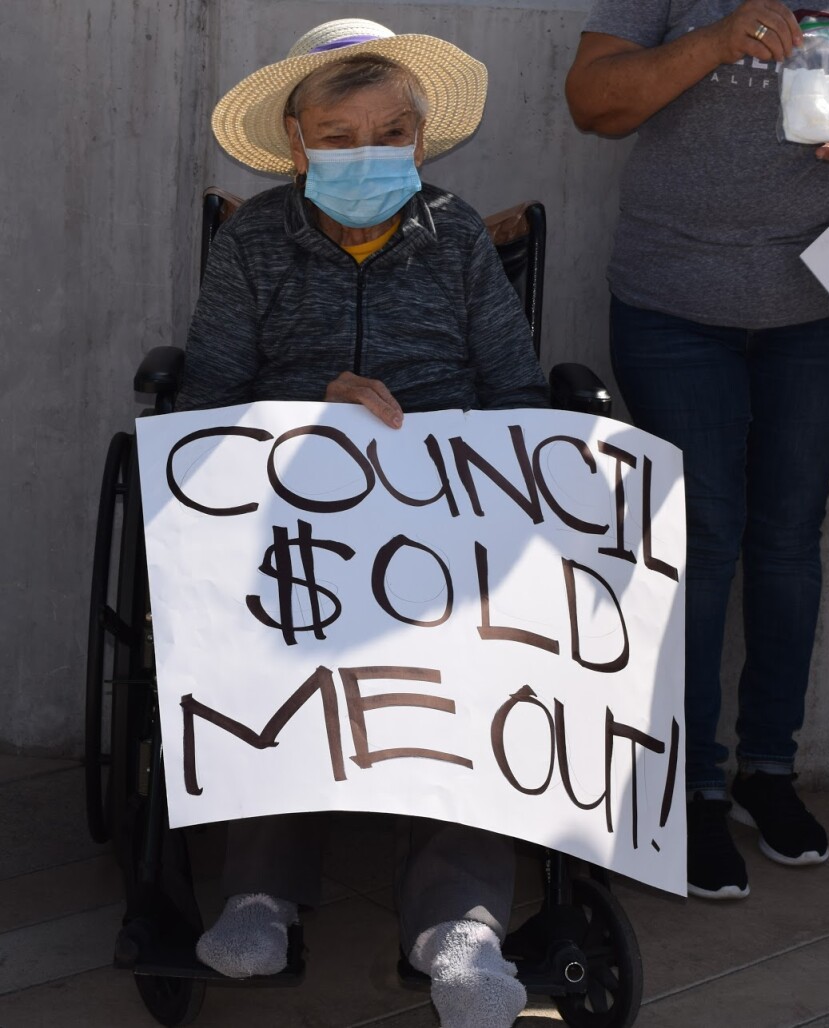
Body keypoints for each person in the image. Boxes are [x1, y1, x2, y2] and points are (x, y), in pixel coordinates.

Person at [176, 18, 548, 1028]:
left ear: (421, 140)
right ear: (296, 145)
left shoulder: (460, 234)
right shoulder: (255, 239)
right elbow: (205, 392)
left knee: (475, 647)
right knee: (267, 630)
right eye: (337, 136)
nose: (365, 152)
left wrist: (421, 436)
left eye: (389, 131)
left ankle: (459, 923)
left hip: (439, 509)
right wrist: (305, 419)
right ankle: (259, 894)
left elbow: (516, 387)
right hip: (287, 509)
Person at [565, 2, 829, 900]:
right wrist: (718, 39)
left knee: (786, 535)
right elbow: (592, 101)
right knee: (699, 538)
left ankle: (768, 769)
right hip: (672, 305)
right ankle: (689, 783)